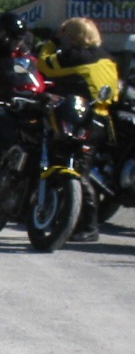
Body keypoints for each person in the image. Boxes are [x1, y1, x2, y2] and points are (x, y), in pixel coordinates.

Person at [37, 17, 120, 242]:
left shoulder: (75, 56)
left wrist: (53, 41)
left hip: (79, 118)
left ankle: (88, 225)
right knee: (82, 170)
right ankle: (75, 220)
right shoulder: (108, 57)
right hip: (102, 120)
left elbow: (44, 64)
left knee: (75, 171)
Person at [0, 11, 33, 104]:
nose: (17, 45)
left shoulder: (5, 50)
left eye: (19, 41)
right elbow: (6, 75)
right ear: (3, 35)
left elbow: (27, 59)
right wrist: (23, 79)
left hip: (1, 94)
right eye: (14, 40)